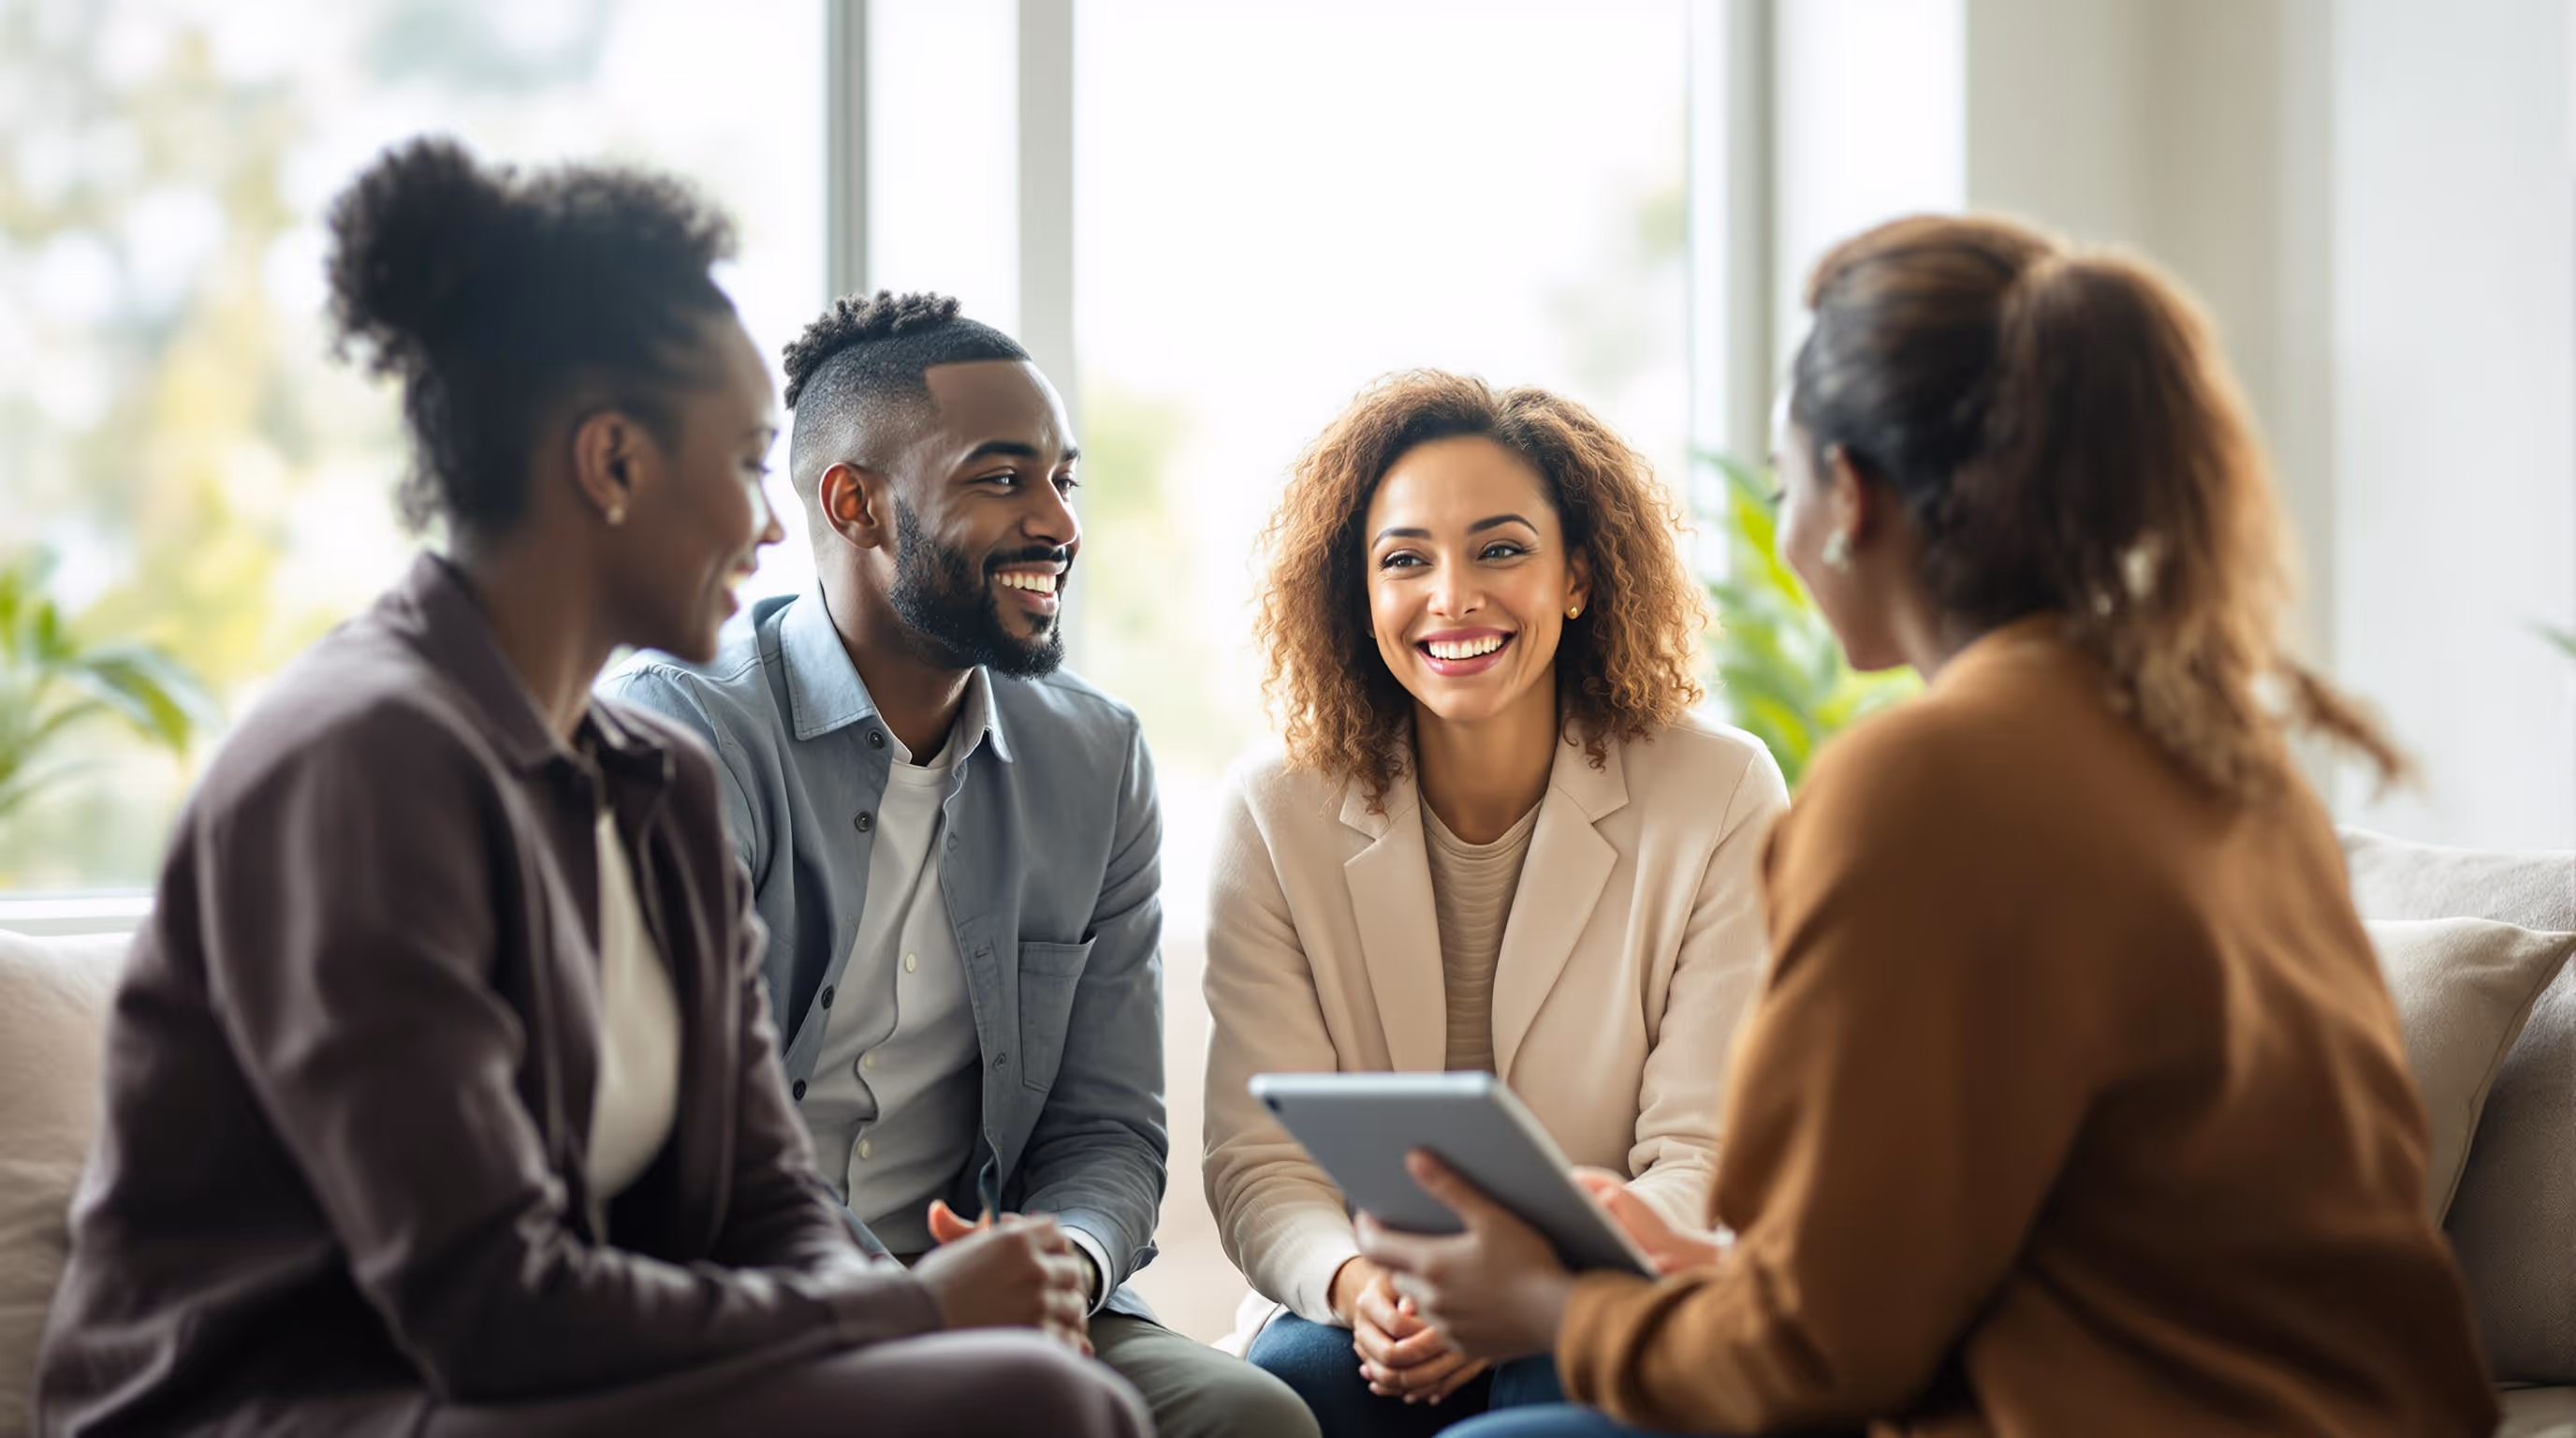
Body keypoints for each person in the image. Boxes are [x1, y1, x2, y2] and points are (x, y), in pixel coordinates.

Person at [34, 139, 1145, 1438]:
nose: (772, 526)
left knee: (1037, 1395)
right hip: (306, 1402)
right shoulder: (360, 764)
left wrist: (917, 1321)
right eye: (741, 466)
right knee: (1033, 1409)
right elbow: (485, 1307)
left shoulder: (650, 777)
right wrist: (908, 1317)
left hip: (524, 1379)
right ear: (612, 464)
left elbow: (758, 1198)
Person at [1352, 214, 2501, 1437]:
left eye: (1788, 485)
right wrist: (1703, 1275)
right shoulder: (2230, 760)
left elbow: (1815, 1362)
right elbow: (2027, 1249)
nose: (1788, 529)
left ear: (1849, 497)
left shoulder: (1921, 783)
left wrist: (1549, 1306)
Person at [605, 290, 1315, 1438]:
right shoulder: (685, 733)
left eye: (1063, 481)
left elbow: (1106, 1130)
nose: (1059, 524)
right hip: (747, 1298)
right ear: (858, 504)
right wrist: (912, 1307)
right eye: (1002, 479)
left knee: (1247, 1418)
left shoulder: (1095, 758)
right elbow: (702, 1145)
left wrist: (1067, 1266)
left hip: (1012, 1307)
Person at [1202, 372, 1788, 1435]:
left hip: (1607, 1286)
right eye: (1405, 560)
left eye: (1501, 549)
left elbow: (1703, 1156)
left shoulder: (1720, 791)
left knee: (1548, 1381)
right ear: (1362, 594)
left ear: (1576, 576)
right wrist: (1352, 1288)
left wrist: (1523, 1294)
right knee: (1295, 1388)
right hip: (1370, 1295)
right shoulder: (1273, 809)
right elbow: (1259, 1160)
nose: (1451, 596)